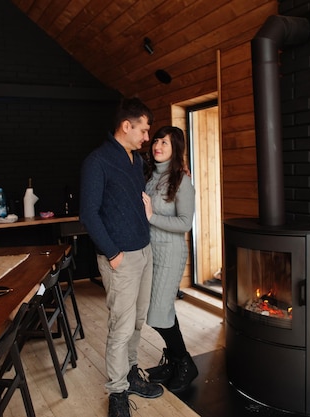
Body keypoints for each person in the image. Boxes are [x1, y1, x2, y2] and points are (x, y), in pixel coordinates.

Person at [79, 98, 164, 417]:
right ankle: (117, 392)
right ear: (126, 126)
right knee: (121, 325)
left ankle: (130, 373)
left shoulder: (135, 161)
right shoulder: (97, 161)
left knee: (137, 322)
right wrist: (113, 253)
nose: (146, 137)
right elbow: (88, 213)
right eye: (143, 130)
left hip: (144, 251)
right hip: (121, 258)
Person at [141, 126, 198, 393]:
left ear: (175, 148)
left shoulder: (182, 181)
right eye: (156, 140)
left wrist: (152, 217)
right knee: (161, 310)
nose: (157, 146)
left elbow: (185, 223)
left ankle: (185, 363)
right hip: (150, 252)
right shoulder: (149, 176)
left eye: (164, 142)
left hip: (170, 253)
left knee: (156, 314)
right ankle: (175, 362)